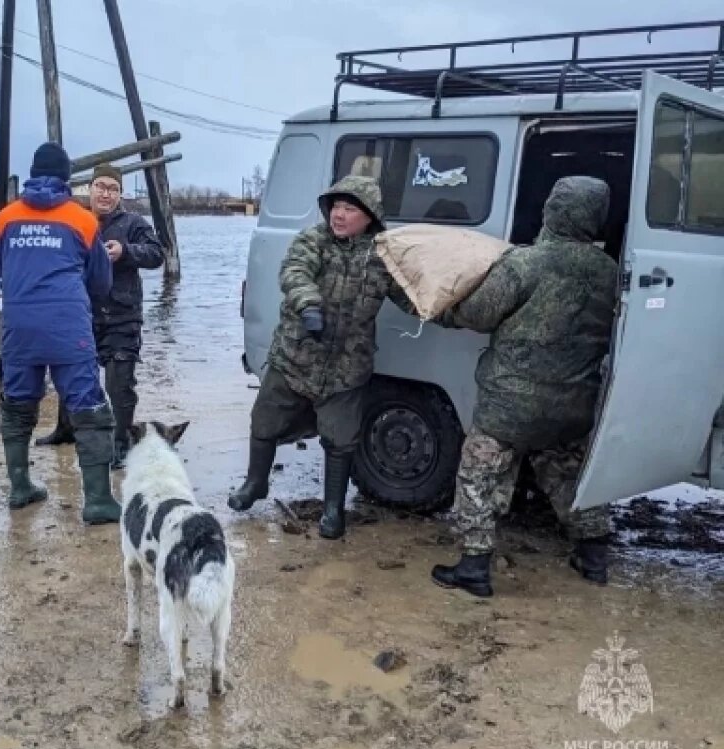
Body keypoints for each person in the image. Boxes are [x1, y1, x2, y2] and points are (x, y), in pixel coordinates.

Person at [431, 176, 618, 597]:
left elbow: (477, 314)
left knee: (480, 476)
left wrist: (439, 310)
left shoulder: (526, 263)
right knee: (569, 476)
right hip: (573, 403)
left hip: (510, 404)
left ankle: (474, 568)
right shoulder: (612, 272)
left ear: (553, 211)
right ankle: (593, 558)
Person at [227, 176, 417, 540]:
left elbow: (410, 298)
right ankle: (255, 484)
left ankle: (333, 510)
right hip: (295, 356)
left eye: (349, 209)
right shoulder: (312, 240)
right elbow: (295, 273)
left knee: (341, 438)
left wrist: (446, 309)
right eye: (336, 207)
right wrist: (309, 305)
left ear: (370, 217)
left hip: (347, 366)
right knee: (264, 421)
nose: (339, 215)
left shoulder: (382, 257)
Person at [0, 142, 120, 524]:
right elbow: (100, 281)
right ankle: (97, 501)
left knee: (17, 403)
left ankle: (20, 486)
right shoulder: (82, 220)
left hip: (19, 326)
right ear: (65, 177)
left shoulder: (6, 218)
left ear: (32, 171)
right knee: (88, 405)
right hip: (68, 326)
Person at [34, 164, 165, 469]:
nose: (106, 193)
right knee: (70, 377)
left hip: (123, 316)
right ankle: (65, 430)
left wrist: (126, 251)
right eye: (101, 186)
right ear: (90, 189)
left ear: (120, 194)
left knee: (119, 385)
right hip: (80, 314)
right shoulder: (74, 220)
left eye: (113, 188)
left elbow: (157, 253)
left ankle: (120, 445)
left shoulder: (133, 223)